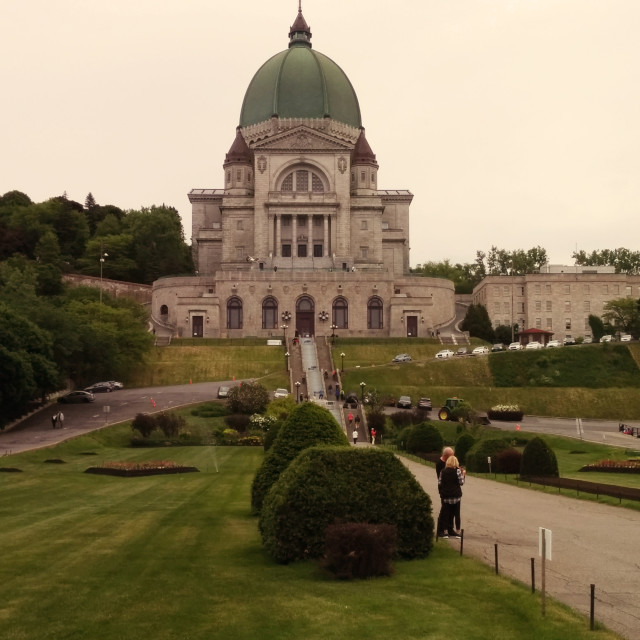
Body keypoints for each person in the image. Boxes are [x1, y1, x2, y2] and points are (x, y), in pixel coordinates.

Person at [438, 455, 465, 539]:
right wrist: (463, 474)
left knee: (446, 514)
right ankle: (458, 531)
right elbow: (461, 482)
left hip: (446, 496)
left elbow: (440, 483)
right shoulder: (457, 471)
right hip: (456, 496)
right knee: (457, 514)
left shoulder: (443, 471)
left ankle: (445, 531)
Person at [435, 447, 454, 537]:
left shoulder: (450, 462)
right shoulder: (440, 464)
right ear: (445, 455)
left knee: (452, 510)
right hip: (444, 490)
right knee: (444, 510)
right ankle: (440, 530)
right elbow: (441, 478)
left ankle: (450, 529)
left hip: (452, 490)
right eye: (451, 456)